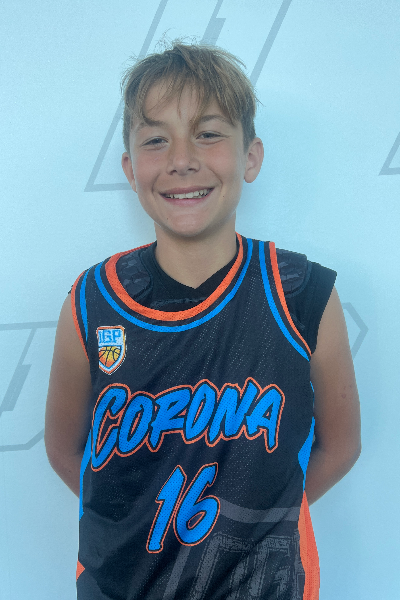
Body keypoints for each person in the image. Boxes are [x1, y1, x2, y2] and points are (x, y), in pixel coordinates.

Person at [44, 41, 361, 600]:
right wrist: (135, 519)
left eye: (208, 133)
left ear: (250, 157)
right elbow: (65, 449)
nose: (181, 159)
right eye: (155, 139)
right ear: (129, 168)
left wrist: (258, 521)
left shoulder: (301, 293)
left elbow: (341, 446)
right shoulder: (92, 300)